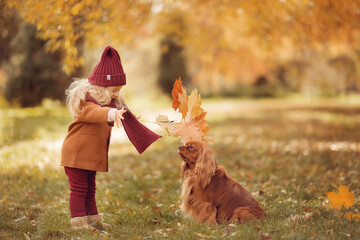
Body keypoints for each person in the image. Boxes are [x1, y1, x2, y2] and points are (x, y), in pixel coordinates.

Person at [61, 46, 161, 230]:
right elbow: (95, 113)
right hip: (76, 155)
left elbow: (110, 110)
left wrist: (128, 117)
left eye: (118, 90)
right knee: (79, 189)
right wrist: (112, 113)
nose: (116, 94)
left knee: (91, 189)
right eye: (114, 89)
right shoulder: (86, 102)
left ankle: (93, 220)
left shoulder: (107, 103)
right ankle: (78, 223)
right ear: (102, 86)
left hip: (89, 156)